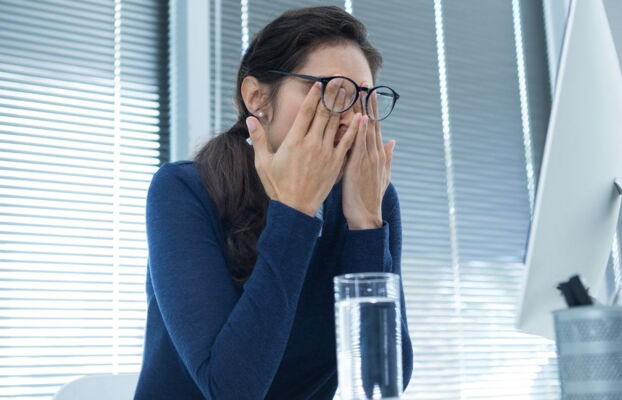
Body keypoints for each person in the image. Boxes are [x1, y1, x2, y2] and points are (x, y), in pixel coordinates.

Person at [134, 5, 413, 400]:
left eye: (364, 98)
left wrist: (366, 225)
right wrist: (295, 210)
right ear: (257, 97)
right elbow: (231, 389)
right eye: (332, 92)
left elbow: (380, 383)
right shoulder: (183, 190)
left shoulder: (370, 199)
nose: (352, 118)